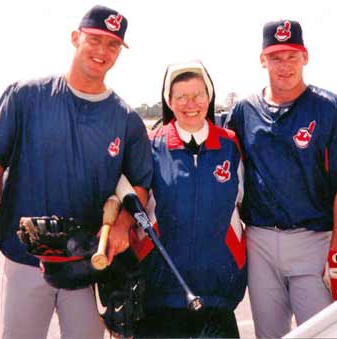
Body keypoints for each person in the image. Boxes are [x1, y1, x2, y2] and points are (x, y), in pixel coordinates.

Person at [0, 5, 152, 339]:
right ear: (75, 38)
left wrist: (123, 226)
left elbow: (140, 184)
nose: (102, 51)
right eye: (95, 39)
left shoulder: (126, 119)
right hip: (26, 258)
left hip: (86, 264)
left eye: (113, 45)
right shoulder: (26, 96)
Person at [226, 19, 337, 338]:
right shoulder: (244, 110)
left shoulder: (332, 109)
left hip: (313, 242)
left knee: (325, 333)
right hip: (260, 242)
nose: (285, 65)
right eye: (276, 57)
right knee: (270, 335)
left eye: (292, 55)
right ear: (262, 59)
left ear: (305, 57)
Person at [130, 60, 247, 338]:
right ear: (169, 101)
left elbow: (245, 203)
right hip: (160, 298)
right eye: (180, 96)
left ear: (209, 96)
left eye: (198, 94)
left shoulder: (231, 145)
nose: (190, 103)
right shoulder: (150, 145)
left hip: (218, 295)